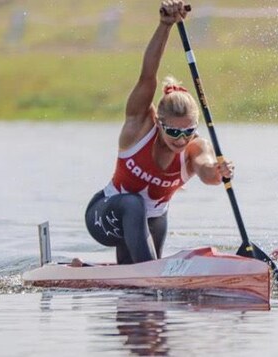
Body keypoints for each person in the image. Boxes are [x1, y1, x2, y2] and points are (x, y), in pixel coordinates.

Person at [84, 0, 234, 265]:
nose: (181, 139)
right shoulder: (140, 127)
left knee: (142, 295)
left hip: (153, 222)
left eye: (188, 131)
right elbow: (147, 76)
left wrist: (219, 172)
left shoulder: (195, 149)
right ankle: (151, 275)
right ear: (159, 124)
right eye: (173, 132)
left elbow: (208, 171)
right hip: (106, 217)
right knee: (133, 204)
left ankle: (139, 280)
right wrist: (165, 26)